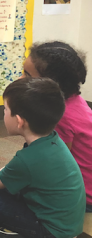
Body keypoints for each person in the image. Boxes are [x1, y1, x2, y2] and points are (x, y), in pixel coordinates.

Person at [0, 77, 85, 238]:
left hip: (49, 231)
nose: (3, 113)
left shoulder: (28, 159)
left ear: (19, 121)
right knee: (7, 187)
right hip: (66, 225)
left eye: (5, 109)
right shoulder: (52, 140)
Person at [23, 41, 92, 213]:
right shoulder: (74, 100)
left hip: (81, 198)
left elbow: (57, 168)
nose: (21, 80)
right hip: (81, 188)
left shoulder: (59, 116)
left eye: (27, 75)